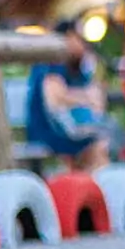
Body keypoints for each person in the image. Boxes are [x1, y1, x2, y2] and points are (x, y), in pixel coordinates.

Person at [25, 20, 110, 171]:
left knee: (99, 141)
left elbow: (96, 93)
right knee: (97, 146)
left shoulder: (76, 65)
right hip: (48, 130)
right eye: (79, 38)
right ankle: (97, 188)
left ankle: (85, 186)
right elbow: (55, 98)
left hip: (67, 127)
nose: (83, 44)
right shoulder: (53, 61)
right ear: (68, 37)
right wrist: (86, 98)